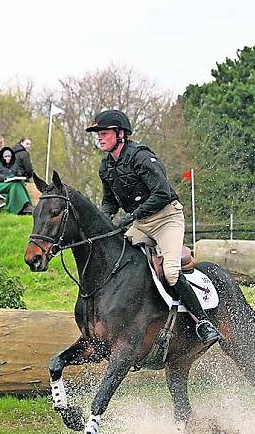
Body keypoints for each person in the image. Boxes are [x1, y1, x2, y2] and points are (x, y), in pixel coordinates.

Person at [86, 109, 220, 345]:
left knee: (169, 271)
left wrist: (132, 216)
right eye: (98, 134)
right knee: (118, 258)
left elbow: (162, 192)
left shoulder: (141, 157)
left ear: (120, 135)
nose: (99, 138)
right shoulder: (106, 166)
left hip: (166, 218)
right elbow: (109, 202)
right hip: (141, 222)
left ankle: (203, 322)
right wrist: (101, 224)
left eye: (104, 133)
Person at [0, 146, 33, 215]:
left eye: (9, 156)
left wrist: (18, 176)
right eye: (6, 156)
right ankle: (23, 205)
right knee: (15, 184)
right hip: (1, 185)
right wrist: (4, 177)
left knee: (18, 183)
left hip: (13, 185)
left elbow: (20, 174)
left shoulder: (15, 166)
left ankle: (24, 206)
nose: (7, 158)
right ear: (2, 157)